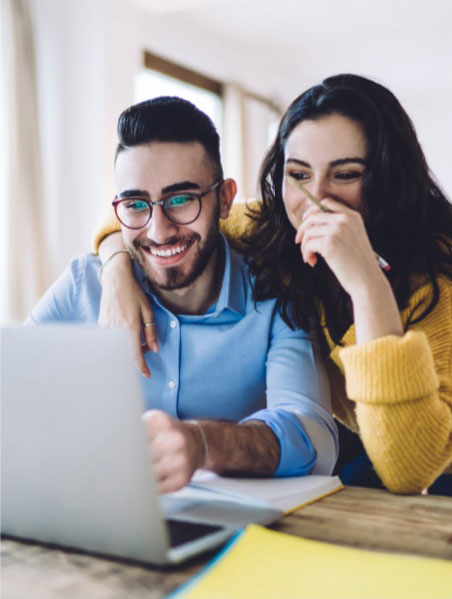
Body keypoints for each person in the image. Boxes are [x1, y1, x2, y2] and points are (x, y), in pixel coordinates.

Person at [94, 76, 452, 495]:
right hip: (361, 433)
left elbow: (410, 470)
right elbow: (149, 218)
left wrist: (367, 286)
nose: (316, 199)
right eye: (299, 174)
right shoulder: (272, 225)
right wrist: (117, 273)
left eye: (346, 174)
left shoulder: (434, 279)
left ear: (388, 178)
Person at [27, 96, 338, 494]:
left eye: (180, 200)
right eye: (137, 204)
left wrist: (204, 444)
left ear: (225, 199)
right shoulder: (83, 287)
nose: (159, 230)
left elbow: (313, 435)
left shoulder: (275, 295)